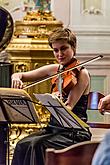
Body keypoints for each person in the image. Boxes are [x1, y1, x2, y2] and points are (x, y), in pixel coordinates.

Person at [11, 27, 92, 165]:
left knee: (37, 145)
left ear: (73, 47)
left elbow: (69, 107)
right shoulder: (56, 69)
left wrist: (55, 101)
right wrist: (16, 77)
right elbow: (21, 75)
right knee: (21, 144)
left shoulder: (81, 74)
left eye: (63, 48)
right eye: (55, 50)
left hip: (74, 133)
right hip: (54, 129)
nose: (59, 54)